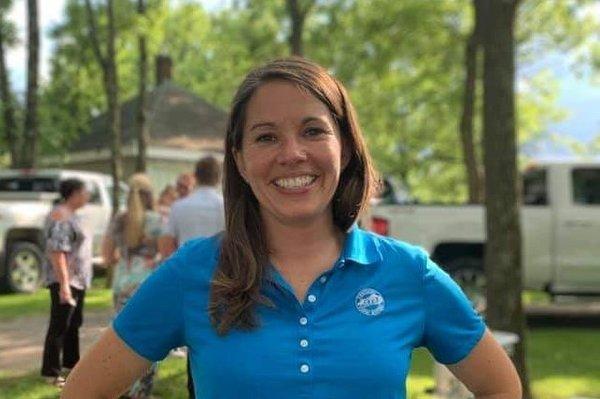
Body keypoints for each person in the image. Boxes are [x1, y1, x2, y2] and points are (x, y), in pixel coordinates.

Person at [62, 58, 522, 399]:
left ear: (344, 146)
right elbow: (82, 391)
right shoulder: (193, 273)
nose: (292, 154)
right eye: (265, 137)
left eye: (312, 131)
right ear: (239, 160)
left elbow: (501, 386)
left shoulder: (408, 274)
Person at [158, 156, 225, 398]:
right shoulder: (226, 205)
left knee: (194, 340)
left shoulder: (180, 207)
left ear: (196, 176)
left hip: (190, 283)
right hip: (225, 281)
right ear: (218, 177)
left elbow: (166, 245)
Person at [101, 173, 163, 398]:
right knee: (151, 338)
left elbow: (107, 256)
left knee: (122, 338)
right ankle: (141, 390)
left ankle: (122, 387)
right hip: (149, 285)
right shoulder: (156, 220)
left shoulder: (119, 219)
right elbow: (165, 254)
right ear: (150, 195)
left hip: (122, 284)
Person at [41, 178, 91, 388]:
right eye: (85, 192)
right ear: (75, 193)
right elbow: (58, 252)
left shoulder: (72, 216)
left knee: (73, 325)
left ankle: (72, 366)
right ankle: (51, 372)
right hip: (66, 280)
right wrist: (64, 285)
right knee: (60, 326)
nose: (87, 196)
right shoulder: (60, 216)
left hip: (76, 280)